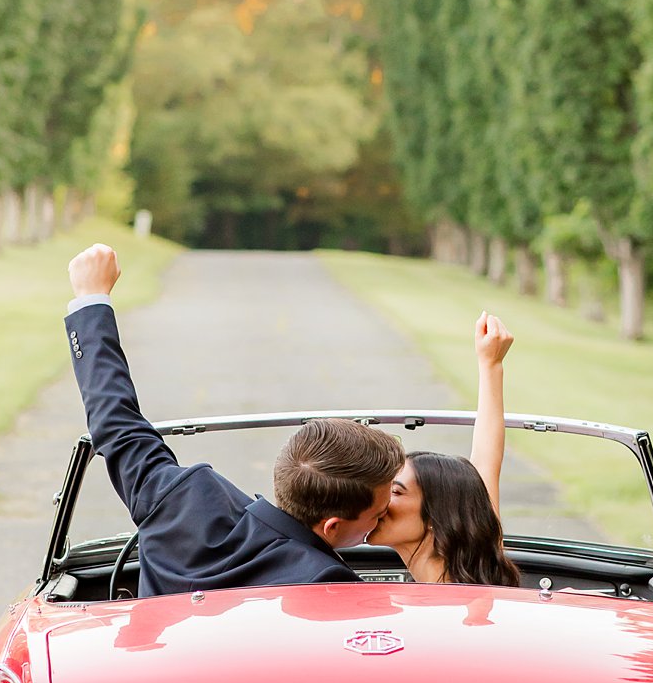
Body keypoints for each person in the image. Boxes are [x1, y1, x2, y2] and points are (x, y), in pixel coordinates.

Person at [63, 244, 401, 598]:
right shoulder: (329, 587)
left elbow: (116, 420)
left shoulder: (185, 500)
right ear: (331, 526)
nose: (384, 520)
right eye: (378, 515)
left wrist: (91, 298)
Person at [370, 312, 521, 587]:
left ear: (438, 518)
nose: (379, 498)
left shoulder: (448, 602)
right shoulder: (477, 576)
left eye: (395, 491)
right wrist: (491, 365)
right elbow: (485, 465)